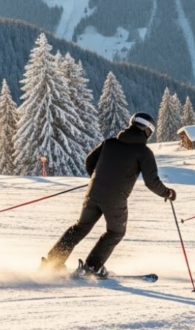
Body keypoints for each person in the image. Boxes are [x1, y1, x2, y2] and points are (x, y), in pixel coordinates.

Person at [41, 113, 175, 278]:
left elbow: (89, 162)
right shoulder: (144, 152)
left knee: (80, 228)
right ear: (147, 131)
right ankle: (91, 268)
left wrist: (98, 179)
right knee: (115, 232)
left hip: (93, 193)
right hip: (115, 200)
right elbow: (151, 182)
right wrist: (167, 193)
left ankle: (52, 262)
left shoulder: (110, 143)